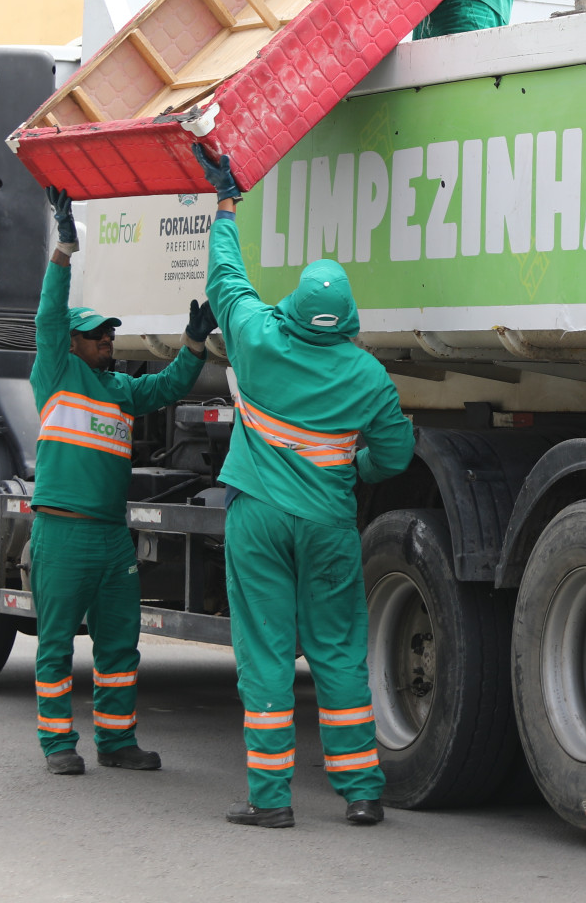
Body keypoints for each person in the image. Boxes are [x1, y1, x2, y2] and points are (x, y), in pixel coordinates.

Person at [192, 143, 415, 830]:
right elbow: (397, 453)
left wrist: (225, 205)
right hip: (326, 524)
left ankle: (270, 799)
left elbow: (225, 277)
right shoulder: (366, 377)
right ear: (345, 320)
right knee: (339, 652)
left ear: (293, 305)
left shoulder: (258, 337)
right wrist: (355, 469)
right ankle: (360, 791)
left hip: (257, 518)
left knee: (264, 654)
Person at [29, 187, 215, 775]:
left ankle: (116, 743)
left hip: (112, 537)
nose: (107, 338)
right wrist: (63, 251)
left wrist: (193, 346)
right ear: (74, 343)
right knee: (57, 644)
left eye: (110, 333)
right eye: (97, 333)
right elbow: (48, 317)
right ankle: (59, 747)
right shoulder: (56, 373)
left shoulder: (122, 391)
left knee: (119, 647)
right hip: (61, 533)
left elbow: (169, 387)